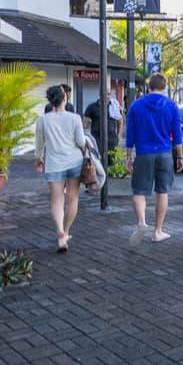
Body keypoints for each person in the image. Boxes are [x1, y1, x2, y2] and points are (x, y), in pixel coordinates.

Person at [125, 73, 183, 247]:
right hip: (165, 153)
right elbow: (177, 135)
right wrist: (180, 156)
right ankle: (158, 232)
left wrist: (128, 156)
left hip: (143, 153)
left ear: (148, 86)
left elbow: (130, 135)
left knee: (139, 192)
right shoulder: (171, 106)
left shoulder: (136, 106)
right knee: (162, 192)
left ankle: (142, 222)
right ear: (164, 87)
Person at [35, 85, 86, 252]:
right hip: (74, 162)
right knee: (73, 199)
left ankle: (60, 232)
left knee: (57, 200)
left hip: (54, 164)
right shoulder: (75, 118)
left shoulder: (43, 120)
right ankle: (67, 231)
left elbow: (39, 143)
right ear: (65, 98)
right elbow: (81, 141)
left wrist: (39, 158)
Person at [84, 91, 123, 160]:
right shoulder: (92, 107)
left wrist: (118, 137)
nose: (107, 96)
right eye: (105, 94)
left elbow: (120, 122)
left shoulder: (114, 106)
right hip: (97, 141)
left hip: (112, 141)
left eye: (108, 94)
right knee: (97, 162)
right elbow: (84, 124)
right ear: (100, 95)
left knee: (111, 163)